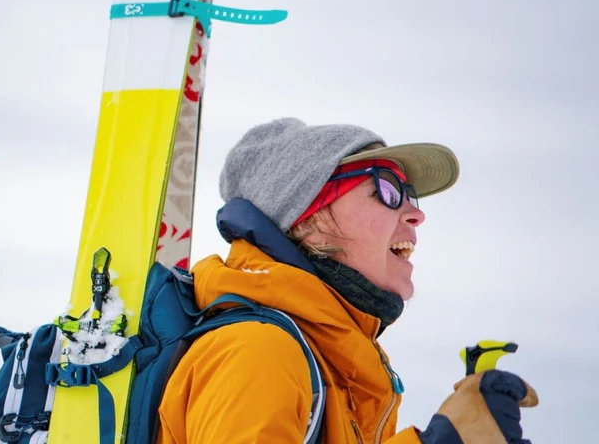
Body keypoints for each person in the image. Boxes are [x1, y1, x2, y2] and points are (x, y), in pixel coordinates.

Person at [157, 118, 538, 443]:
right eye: (387, 189)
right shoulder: (260, 353)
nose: (415, 214)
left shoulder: (335, 366)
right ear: (307, 219)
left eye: (410, 195)